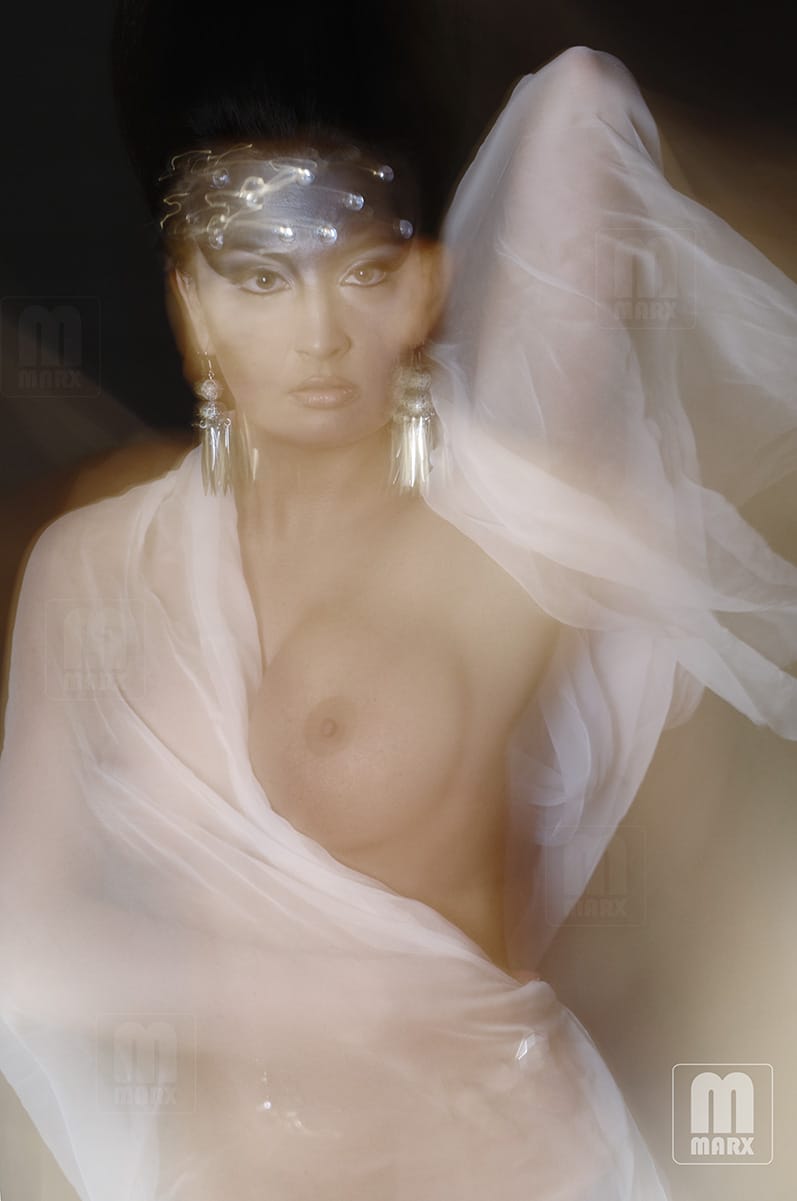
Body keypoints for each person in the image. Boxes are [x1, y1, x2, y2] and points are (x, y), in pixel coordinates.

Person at [1, 9, 796, 1198]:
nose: (320, 333)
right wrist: (331, 1000)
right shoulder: (94, 567)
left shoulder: (505, 541)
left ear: (426, 283)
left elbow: (582, 106)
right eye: (258, 276)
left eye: (364, 270)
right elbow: (24, 950)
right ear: (190, 300)